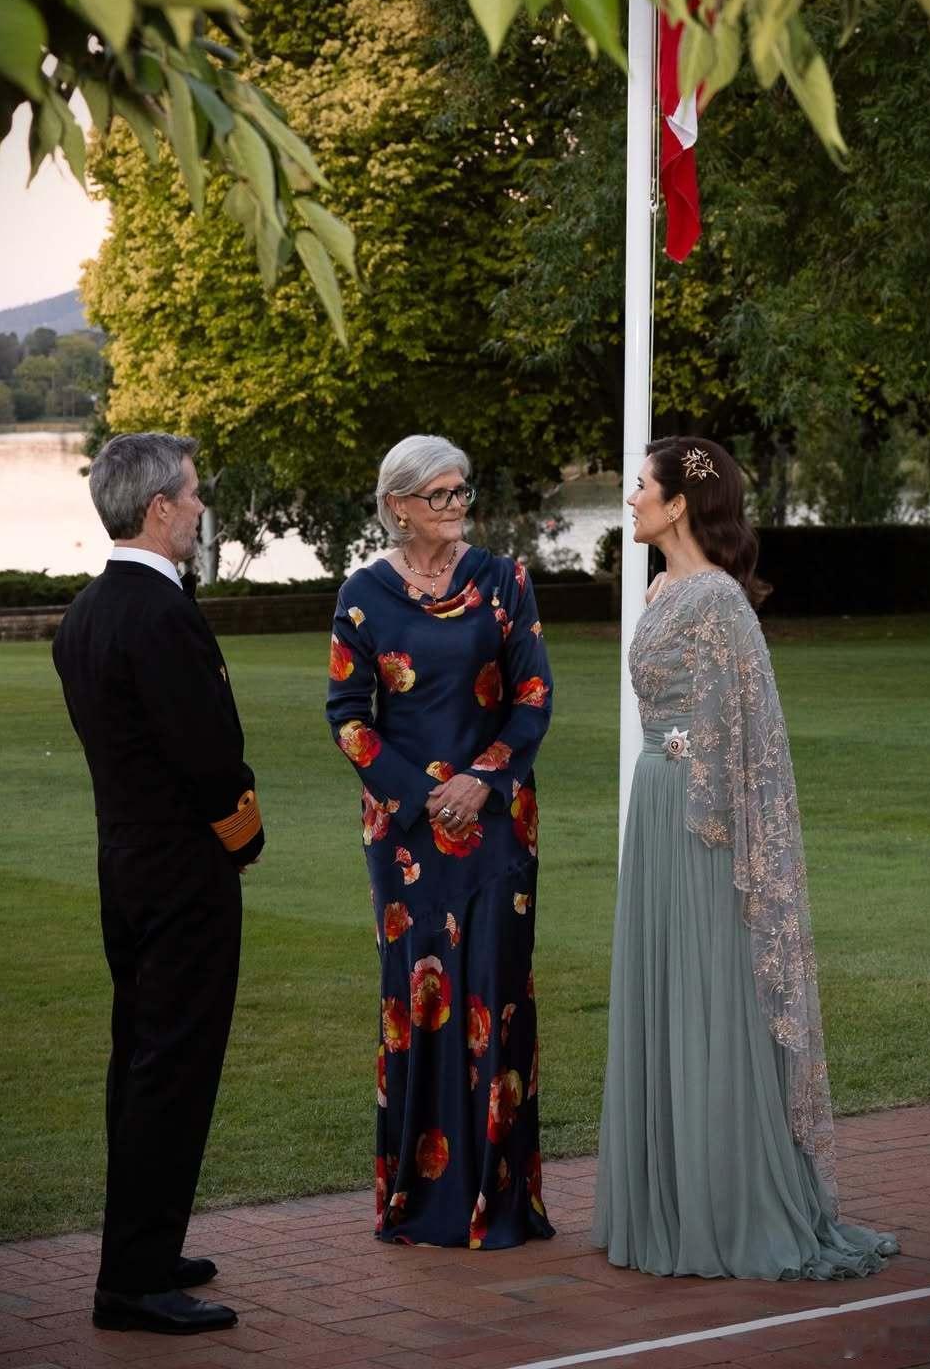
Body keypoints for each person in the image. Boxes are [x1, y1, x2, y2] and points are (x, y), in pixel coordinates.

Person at [593, 436, 898, 1280]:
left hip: (701, 823)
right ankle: (673, 1198)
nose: (631, 498)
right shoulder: (660, 588)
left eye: (642, 486)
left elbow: (751, 736)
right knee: (666, 992)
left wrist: (709, 806)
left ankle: (728, 1201)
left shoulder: (719, 603)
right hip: (655, 807)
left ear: (680, 503)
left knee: (710, 992)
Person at [53, 432, 264, 1333]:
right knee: (170, 1068)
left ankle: (147, 1243)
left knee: (140, 1061)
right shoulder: (159, 613)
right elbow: (209, 757)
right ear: (158, 509)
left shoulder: (87, 613)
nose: (201, 503)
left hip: (126, 868)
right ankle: (134, 1278)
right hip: (183, 875)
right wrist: (243, 836)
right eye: (192, 491)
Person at [325, 434, 554, 1250]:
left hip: (497, 827)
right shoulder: (361, 597)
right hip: (409, 840)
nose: (459, 509)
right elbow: (348, 720)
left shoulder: (505, 582)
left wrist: (481, 781)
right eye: (442, 496)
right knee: (418, 1004)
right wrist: (426, 796)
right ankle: (422, 1204)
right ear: (399, 507)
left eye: (464, 492)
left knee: (498, 995)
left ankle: (501, 1205)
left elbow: (532, 694)